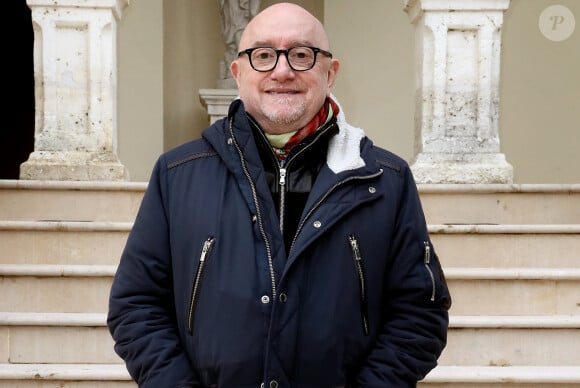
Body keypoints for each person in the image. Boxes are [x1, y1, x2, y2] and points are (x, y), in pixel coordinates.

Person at [107, 3, 451, 387]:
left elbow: (420, 313)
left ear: (330, 73)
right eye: (264, 55)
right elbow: (136, 305)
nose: (282, 70)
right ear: (239, 73)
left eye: (302, 54)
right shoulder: (178, 174)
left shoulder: (385, 180)